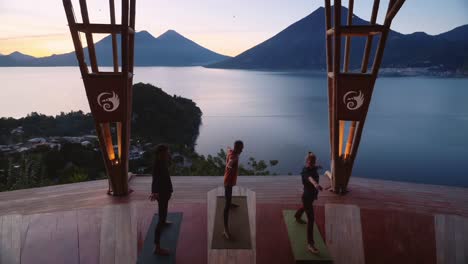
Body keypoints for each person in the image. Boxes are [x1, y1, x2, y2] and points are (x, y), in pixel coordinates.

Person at [149, 144, 173, 256]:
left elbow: (165, 178)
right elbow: (155, 180)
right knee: (160, 219)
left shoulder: (162, 162)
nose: (168, 154)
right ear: (160, 154)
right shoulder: (157, 165)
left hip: (165, 192)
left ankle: (164, 221)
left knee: (164, 212)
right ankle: (157, 247)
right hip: (162, 194)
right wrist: (154, 192)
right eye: (166, 152)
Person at [298, 152, 323, 254]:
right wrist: (316, 184)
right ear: (307, 161)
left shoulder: (312, 167)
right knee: (311, 219)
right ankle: (310, 244)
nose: (312, 163)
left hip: (311, 197)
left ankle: (297, 216)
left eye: (314, 161)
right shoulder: (305, 172)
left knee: (305, 207)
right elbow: (310, 178)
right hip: (307, 197)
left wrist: (317, 166)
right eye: (311, 161)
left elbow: (313, 168)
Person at [223, 140, 244, 240]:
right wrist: (229, 165)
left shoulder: (231, 151)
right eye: (241, 148)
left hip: (228, 180)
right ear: (238, 148)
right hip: (228, 182)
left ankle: (230, 203)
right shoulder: (234, 156)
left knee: (229, 198)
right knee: (226, 206)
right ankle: (225, 229)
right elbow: (230, 162)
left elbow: (228, 149)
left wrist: (229, 148)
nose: (242, 150)